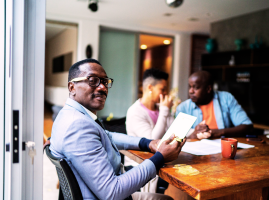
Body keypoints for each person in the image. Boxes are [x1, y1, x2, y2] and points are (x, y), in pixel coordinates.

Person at [49, 58, 186, 200]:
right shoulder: (77, 126)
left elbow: (108, 136)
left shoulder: (69, 115)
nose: (102, 87)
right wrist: (160, 157)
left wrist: (147, 143)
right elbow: (113, 192)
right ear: (72, 87)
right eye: (93, 80)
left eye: (104, 82)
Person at [125, 68, 174, 193]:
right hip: (139, 164)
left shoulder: (160, 108)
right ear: (150, 88)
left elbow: (173, 127)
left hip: (162, 160)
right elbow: (152, 141)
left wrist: (195, 131)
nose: (165, 94)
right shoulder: (135, 112)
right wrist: (164, 111)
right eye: (162, 89)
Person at [176, 70, 253, 139]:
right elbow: (177, 139)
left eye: (195, 87)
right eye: (190, 87)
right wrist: (194, 134)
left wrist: (218, 132)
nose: (190, 91)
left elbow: (247, 126)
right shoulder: (183, 108)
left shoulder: (226, 99)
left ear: (208, 89)